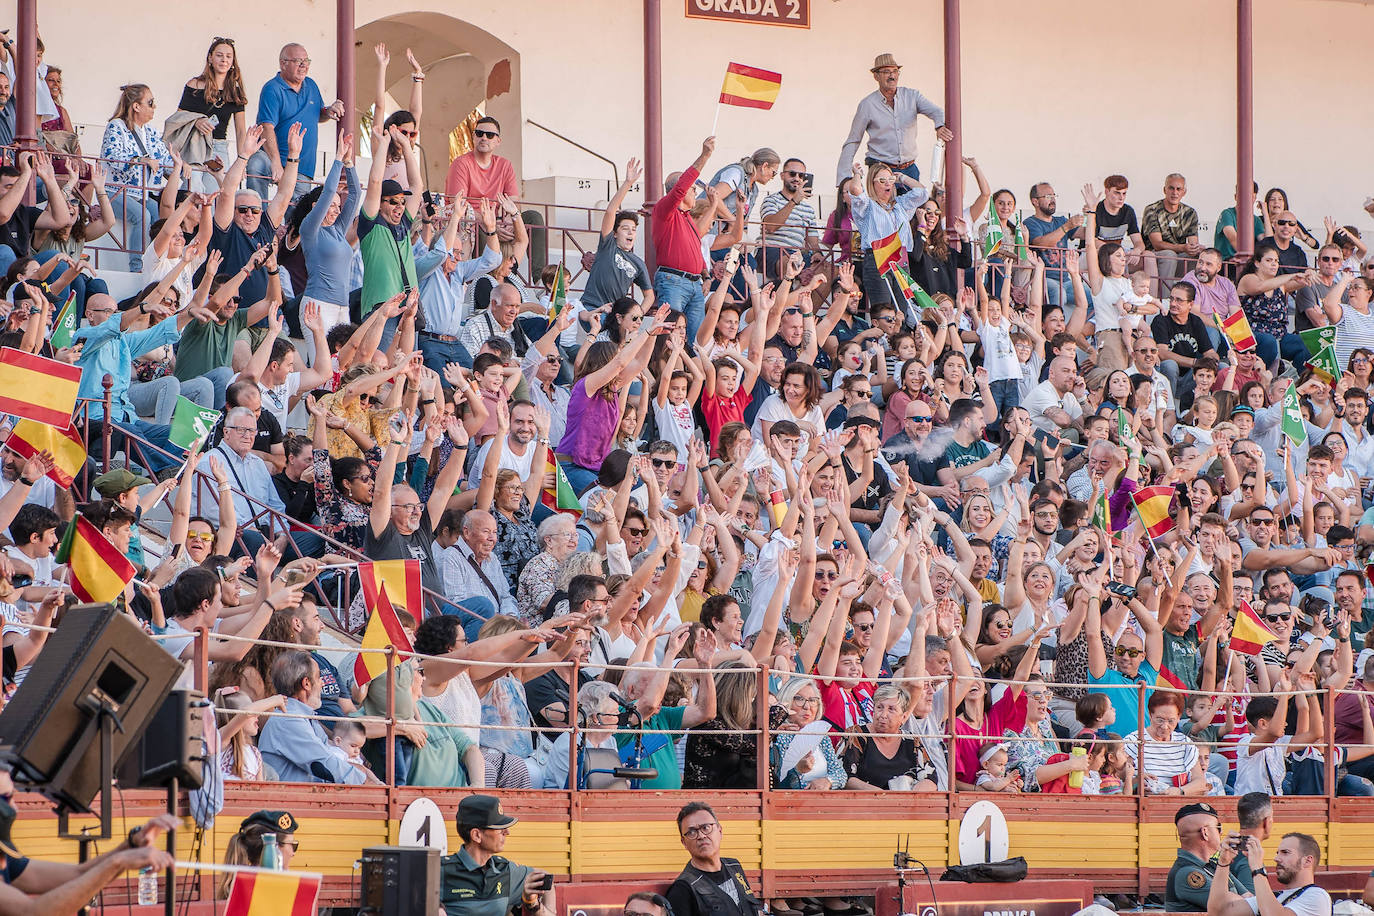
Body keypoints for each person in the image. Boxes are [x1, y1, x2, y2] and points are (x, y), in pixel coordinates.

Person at [0, 788, 175, 912]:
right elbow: (33, 912)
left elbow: (78, 873)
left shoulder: (8, 858)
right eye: (7, 798)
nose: (15, 807)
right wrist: (119, 862)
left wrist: (131, 844)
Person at [258, 649, 377, 784]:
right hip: (293, 802)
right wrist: (368, 783)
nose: (323, 683)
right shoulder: (289, 719)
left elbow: (330, 756)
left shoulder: (304, 717)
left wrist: (364, 774)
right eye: (319, 677)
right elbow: (324, 764)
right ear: (306, 683)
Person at [836, 53, 952, 189]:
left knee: (913, 209)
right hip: (881, 169)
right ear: (876, 76)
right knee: (884, 209)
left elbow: (937, 111)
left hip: (909, 169)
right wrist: (844, 180)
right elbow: (853, 140)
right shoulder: (867, 105)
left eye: (895, 71)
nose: (892, 76)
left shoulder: (912, 96)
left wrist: (939, 127)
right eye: (886, 72)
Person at [247, 42, 344, 200]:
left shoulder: (311, 85)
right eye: (298, 61)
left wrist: (328, 111)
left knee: (296, 215)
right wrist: (276, 162)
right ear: (283, 64)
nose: (304, 65)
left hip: (302, 165)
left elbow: (318, 114)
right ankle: (258, 219)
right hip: (274, 158)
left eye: (306, 61)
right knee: (256, 164)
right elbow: (266, 127)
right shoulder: (272, 88)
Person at [439, 794, 554, 916]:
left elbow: (546, 879)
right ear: (476, 835)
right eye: (499, 828)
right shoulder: (441, 870)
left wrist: (538, 906)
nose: (507, 832)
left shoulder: (505, 870)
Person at [99, 85, 172, 271]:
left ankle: (156, 263)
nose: (154, 106)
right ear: (136, 106)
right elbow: (112, 157)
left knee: (158, 214)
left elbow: (165, 159)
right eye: (150, 102)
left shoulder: (151, 132)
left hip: (142, 195)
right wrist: (141, 160)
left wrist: (183, 165)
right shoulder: (116, 126)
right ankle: (137, 266)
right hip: (114, 191)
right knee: (143, 215)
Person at [651, 137, 714, 342]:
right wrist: (704, 156)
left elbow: (695, 247)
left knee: (694, 341)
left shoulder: (686, 218)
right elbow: (681, 187)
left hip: (694, 283)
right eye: (693, 188)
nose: (695, 191)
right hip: (673, 280)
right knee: (671, 336)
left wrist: (705, 275)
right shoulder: (665, 210)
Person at [666, 802, 765, 916]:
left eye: (706, 827)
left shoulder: (734, 866)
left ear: (720, 831)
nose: (701, 836)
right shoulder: (683, 889)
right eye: (692, 832)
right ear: (684, 842)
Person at [1209, 832, 1332, 916]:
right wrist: (1224, 862)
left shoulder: (1317, 895)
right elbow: (1219, 911)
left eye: (1285, 852)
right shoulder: (1276, 897)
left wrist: (1258, 868)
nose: (1277, 858)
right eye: (1277, 853)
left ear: (1307, 860)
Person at [1165, 802, 1252, 912]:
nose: (1221, 833)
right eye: (1218, 828)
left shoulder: (1214, 865)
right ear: (1205, 833)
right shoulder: (1187, 873)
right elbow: (1233, 906)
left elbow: (1248, 898)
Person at [445, 116, 520, 207]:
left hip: (495, 219)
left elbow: (514, 203)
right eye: (479, 133)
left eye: (490, 135)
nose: (484, 138)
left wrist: (511, 217)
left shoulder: (505, 165)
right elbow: (458, 205)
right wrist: (486, 220)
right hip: (468, 220)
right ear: (473, 136)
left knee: (533, 216)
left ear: (498, 141)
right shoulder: (460, 164)